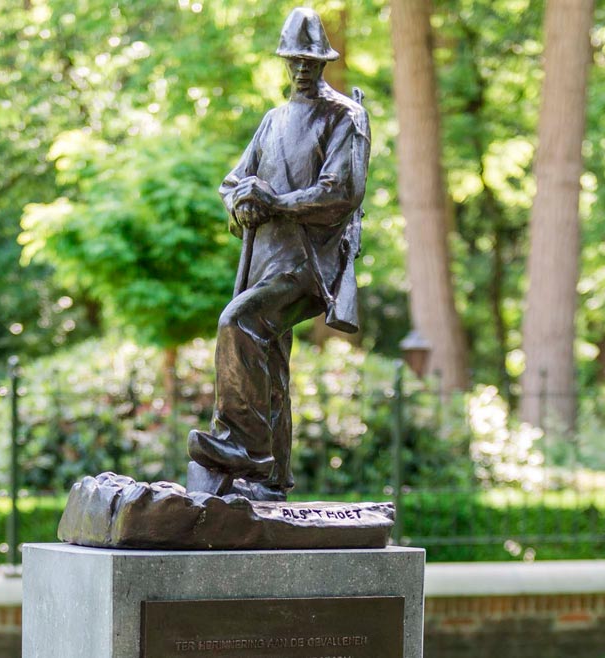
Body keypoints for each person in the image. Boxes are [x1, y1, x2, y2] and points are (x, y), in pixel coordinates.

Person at [186, 7, 371, 501]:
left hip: (310, 264)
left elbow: (341, 190)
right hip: (265, 259)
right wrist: (241, 202)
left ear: (324, 61)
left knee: (237, 323)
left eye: (312, 59)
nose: (303, 68)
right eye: (295, 59)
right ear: (285, 61)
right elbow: (233, 181)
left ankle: (239, 444)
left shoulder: (344, 117)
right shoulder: (272, 121)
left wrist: (277, 203)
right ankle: (270, 479)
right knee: (268, 364)